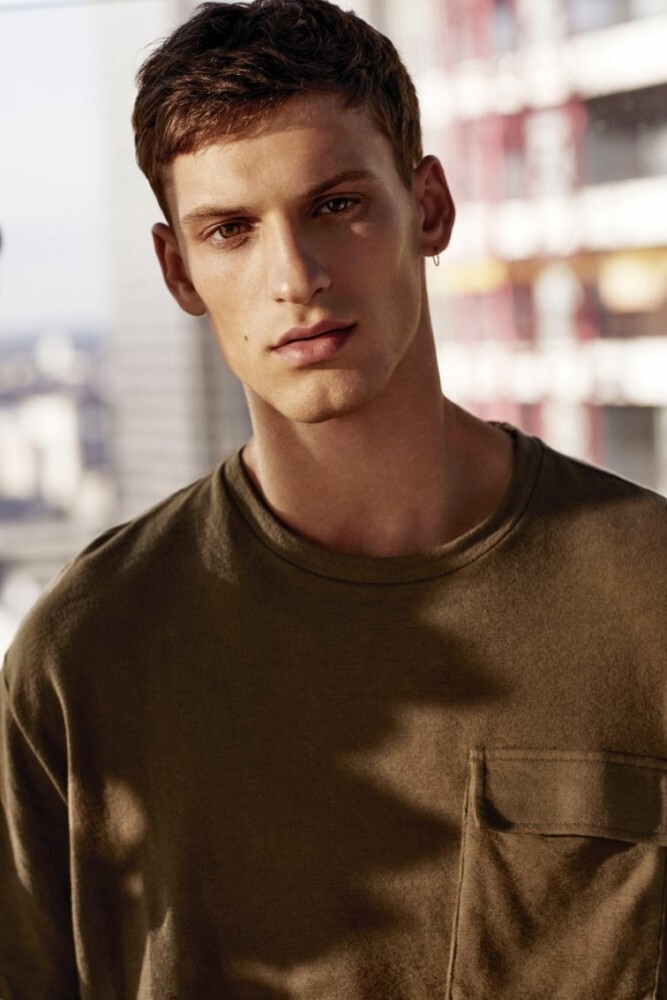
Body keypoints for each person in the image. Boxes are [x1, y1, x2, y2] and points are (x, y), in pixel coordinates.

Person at [1, 1, 666, 996]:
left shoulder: (650, 593)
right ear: (179, 270)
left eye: (337, 205)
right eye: (231, 230)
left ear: (428, 207)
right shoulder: (85, 655)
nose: (295, 277)